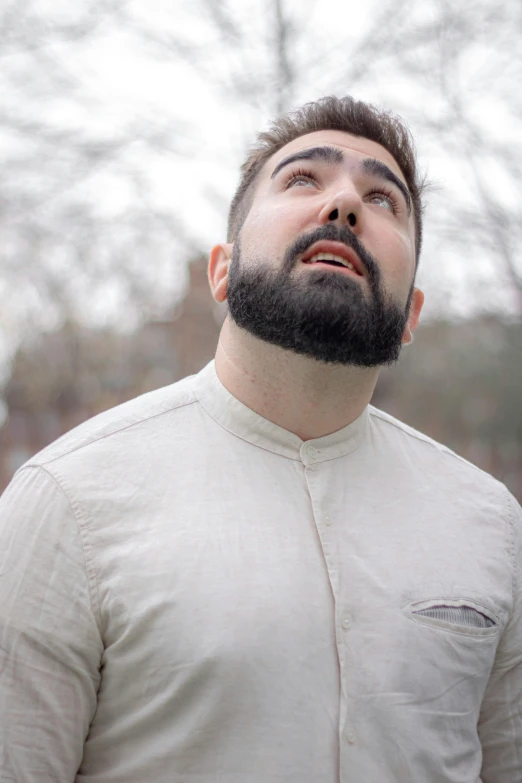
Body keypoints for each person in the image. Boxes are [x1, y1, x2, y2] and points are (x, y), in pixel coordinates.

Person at [0, 96, 520, 783]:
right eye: (304, 179)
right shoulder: (67, 500)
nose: (343, 205)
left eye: (382, 198)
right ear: (222, 268)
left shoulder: (490, 524)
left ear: (410, 316)